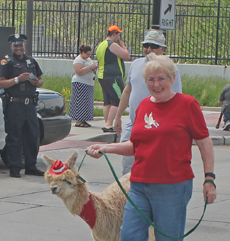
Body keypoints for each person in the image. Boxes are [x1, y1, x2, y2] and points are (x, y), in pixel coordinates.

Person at [86, 54, 216, 241]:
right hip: (140, 184)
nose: (156, 84)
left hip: (173, 186)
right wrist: (106, 147)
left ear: (172, 79)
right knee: (129, 238)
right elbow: (136, 146)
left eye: (161, 79)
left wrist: (209, 178)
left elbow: (204, 143)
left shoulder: (187, 105)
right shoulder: (144, 105)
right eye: (150, 79)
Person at [114, 29, 182, 175]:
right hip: (133, 123)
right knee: (128, 167)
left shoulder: (171, 69)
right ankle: (129, 196)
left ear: (163, 49)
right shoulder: (136, 64)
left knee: (153, 167)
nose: (148, 49)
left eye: (153, 46)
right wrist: (118, 116)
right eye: (146, 45)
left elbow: (177, 100)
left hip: (156, 126)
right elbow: (127, 91)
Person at [0, 33, 44, 178]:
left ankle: (31, 166)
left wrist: (37, 82)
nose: (19, 47)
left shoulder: (31, 61)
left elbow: (41, 80)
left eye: (21, 45)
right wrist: (17, 80)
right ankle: (15, 168)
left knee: (32, 136)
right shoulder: (6, 62)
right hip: (14, 105)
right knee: (14, 137)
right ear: (11, 46)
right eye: (16, 45)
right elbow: (0, 83)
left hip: (30, 105)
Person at [95, 25, 130, 133]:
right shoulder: (112, 45)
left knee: (108, 101)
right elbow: (126, 56)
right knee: (118, 100)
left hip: (103, 76)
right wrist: (123, 46)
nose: (119, 37)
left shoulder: (101, 45)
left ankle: (107, 123)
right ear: (114, 34)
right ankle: (109, 124)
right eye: (119, 34)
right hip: (113, 77)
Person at [70, 45, 98, 128]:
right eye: (87, 54)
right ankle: (79, 121)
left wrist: (94, 68)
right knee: (80, 102)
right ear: (82, 52)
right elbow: (79, 71)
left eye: (90, 54)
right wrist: (90, 67)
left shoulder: (88, 59)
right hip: (80, 83)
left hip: (88, 83)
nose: (89, 56)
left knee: (86, 102)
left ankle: (84, 119)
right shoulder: (78, 60)